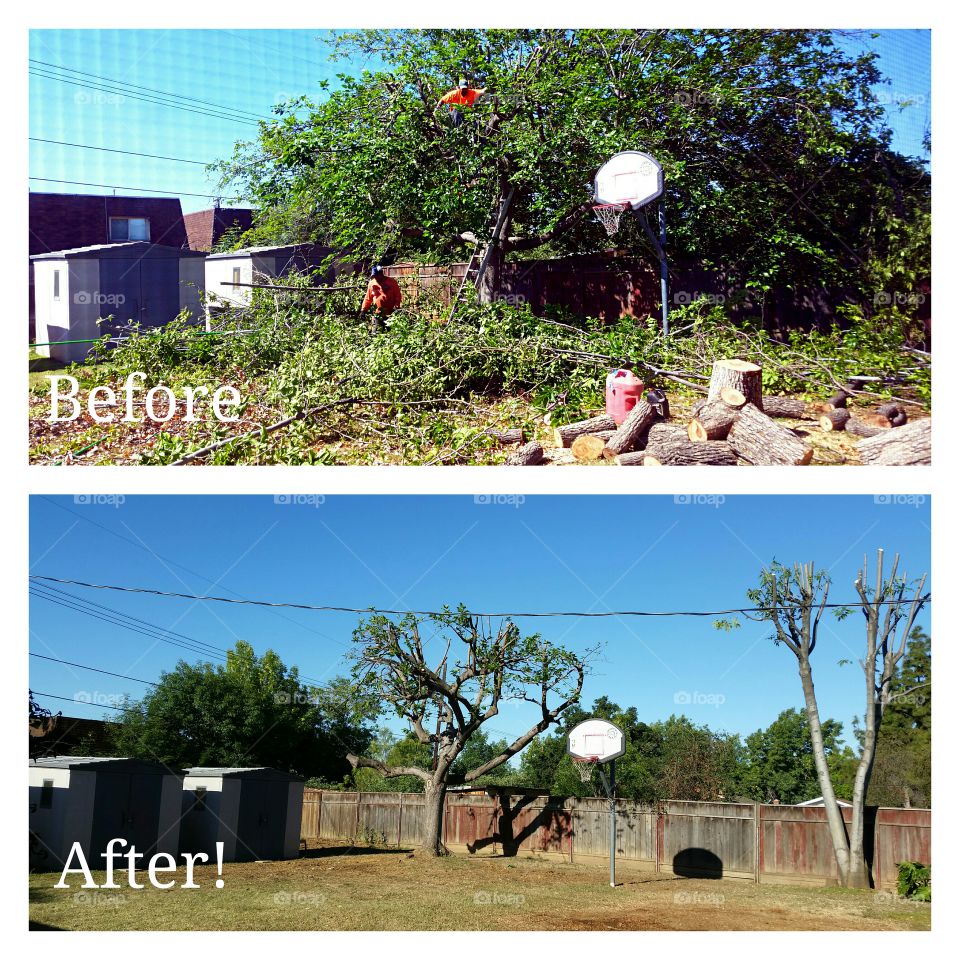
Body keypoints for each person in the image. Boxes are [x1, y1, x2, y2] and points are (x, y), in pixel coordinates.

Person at [360, 265, 402, 333]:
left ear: (381, 274)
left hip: (390, 313)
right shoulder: (372, 283)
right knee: (375, 333)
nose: (375, 278)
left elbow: (398, 296)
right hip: (377, 314)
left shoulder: (392, 282)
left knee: (390, 333)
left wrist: (396, 307)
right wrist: (363, 310)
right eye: (374, 276)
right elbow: (368, 298)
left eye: (376, 276)